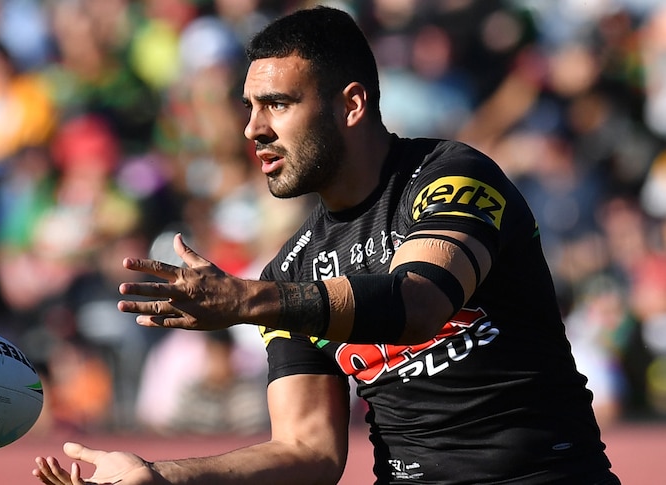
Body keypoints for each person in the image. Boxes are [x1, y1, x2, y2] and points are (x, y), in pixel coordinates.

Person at [33, 6, 620, 485]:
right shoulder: (291, 267)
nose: (252, 129)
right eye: (249, 107)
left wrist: (249, 302)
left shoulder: (454, 175)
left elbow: (418, 303)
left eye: (278, 105)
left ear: (351, 105)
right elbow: (307, 450)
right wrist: (161, 478)